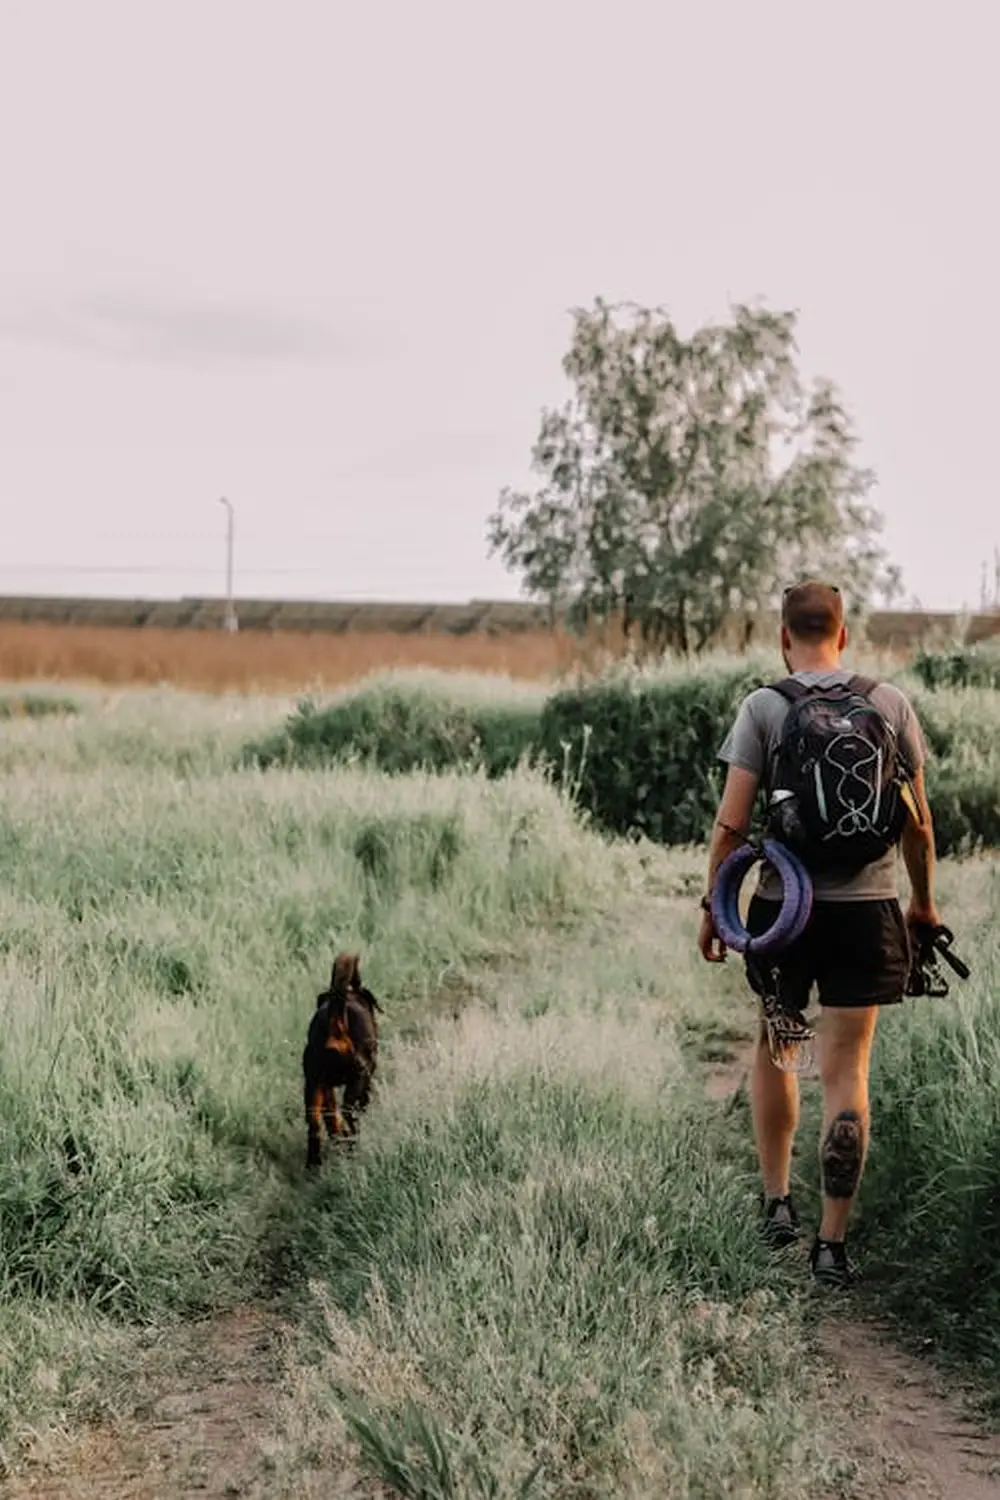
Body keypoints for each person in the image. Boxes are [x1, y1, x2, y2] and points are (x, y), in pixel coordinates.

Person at [698, 580, 940, 1288]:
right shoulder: (889, 703)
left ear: (783, 638)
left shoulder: (765, 706)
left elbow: (731, 825)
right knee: (848, 1071)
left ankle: (777, 1203)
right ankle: (832, 1246)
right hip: (869, 909)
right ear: (844, 635)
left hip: (784, 910)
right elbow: (919, 826)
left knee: (779, 1046)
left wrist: (716, 906)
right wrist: (922, 907)